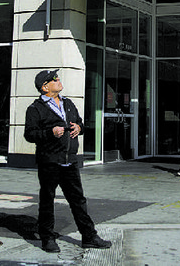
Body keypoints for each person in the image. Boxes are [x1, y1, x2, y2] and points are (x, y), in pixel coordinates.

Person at [24, 69, 111, 253]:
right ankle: (47, 238)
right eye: (53, 79)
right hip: (49, 162)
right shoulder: (35, 109)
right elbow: (29, 134)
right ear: (45, 87)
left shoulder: (68, 103)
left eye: (57, 78)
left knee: (78, 200)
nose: (58, 80)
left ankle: (89, 236)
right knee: (47, 200)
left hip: (69, 161)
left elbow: (81, 123)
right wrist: (50, 132)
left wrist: (80, 127)